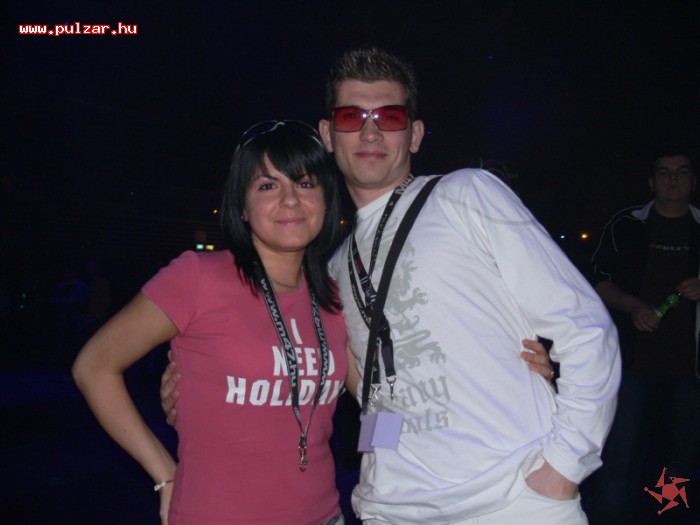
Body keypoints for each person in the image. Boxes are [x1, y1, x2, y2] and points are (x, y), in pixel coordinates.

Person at [162, 48, 619, 524]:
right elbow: (367, 391)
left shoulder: (466, 196)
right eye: (351, 117)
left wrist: (565, 465)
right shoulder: (333, 269)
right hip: (392, 509)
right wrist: (194, 384)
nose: (370, 132)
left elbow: (585, 327)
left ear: (414, 134)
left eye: (390, 117)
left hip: (513, 501)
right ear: (328, 135)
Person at [72, 121, 351, 525]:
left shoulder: (335, 298)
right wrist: (164, 474)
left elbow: (380, 398)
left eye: (305, 183)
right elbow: (94, 367)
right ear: (242, 206)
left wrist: (384, 454)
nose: (290, 199)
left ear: (326, 200)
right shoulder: (198, 277)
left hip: (324, 515)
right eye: (268, 186)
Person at [583, 148, 700, 524]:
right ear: (651, 182)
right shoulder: (626, 225)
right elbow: (597, 282)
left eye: (681, 172)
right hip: (632, 366)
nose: (673, 179)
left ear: (693, 181)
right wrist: (633, 306)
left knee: (679, 460)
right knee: (621, 454)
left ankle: (669, 520)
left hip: (690, 371)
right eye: (664, 172)